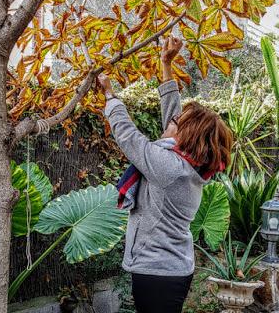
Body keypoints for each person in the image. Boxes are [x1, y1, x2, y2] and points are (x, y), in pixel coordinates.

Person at [98, 36, 233, 313]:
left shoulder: (170, 169)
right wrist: (165, 64)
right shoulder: (187, 165)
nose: (172, 120)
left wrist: (110, 96)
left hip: (157, 274)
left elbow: (128, 137)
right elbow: (171, 117)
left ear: (184, 135)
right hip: (169, 270)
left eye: (176, 122)